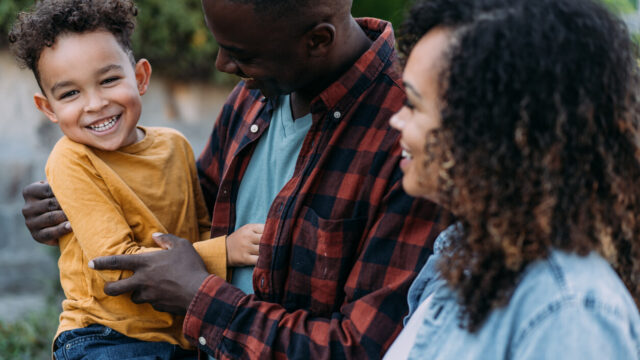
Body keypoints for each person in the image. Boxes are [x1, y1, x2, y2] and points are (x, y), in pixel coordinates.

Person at [20, 0, 442, 358]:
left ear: (317, 41)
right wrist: (75, 205)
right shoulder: (256, 95)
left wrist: (199, 295)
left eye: (242, 53)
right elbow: (180, 222)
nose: (223, 66)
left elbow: (357, 348)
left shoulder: (412, 141)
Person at [383, 0, 640, 358]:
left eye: (413, 104)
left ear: (490, 133)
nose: (397, 120)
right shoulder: (464, 255)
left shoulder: (569, 312)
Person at [9, 0, 260, 358]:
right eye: (70, 93)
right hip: (105, 337)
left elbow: (200, 229)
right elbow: (116, 267)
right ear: (48, 108)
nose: (95, 103)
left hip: (182, 335)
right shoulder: (71, 159)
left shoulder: (175, 145)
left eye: (109, 80)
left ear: (140, 77)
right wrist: (228, 251)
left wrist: (220, 249)